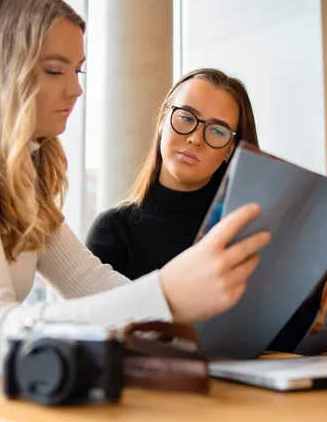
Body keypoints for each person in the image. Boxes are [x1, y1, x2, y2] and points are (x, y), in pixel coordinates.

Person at [0, 0, 270, 422]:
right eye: (55, 70)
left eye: (77, 71)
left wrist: (193, 333)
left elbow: (91, 282)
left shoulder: (18, 172)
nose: (75, 90)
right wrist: (165, 293)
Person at [86, 68, 260, 279]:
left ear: (231, 149)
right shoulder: (113, 230)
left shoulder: (245, 233)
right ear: (162, 122)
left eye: (217, 131)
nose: (196, 139)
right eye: (186, 118)